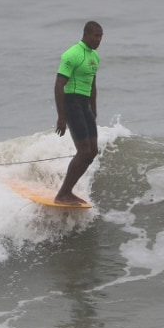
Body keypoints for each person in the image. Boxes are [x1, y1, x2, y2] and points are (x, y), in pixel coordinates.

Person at [53, 21, 103, 205]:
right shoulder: (72, 54)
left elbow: (92, 85)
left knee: (92, 151)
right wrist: (61, 117)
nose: (98, 40)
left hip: (84, 105)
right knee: (83, 151)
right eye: (95, 36)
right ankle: (63, 194)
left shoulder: (95, 57)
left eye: (101, 36)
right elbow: (59, 85)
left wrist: (94, 109)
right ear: (86, 34)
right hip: (71, 102)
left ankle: (68, 191)